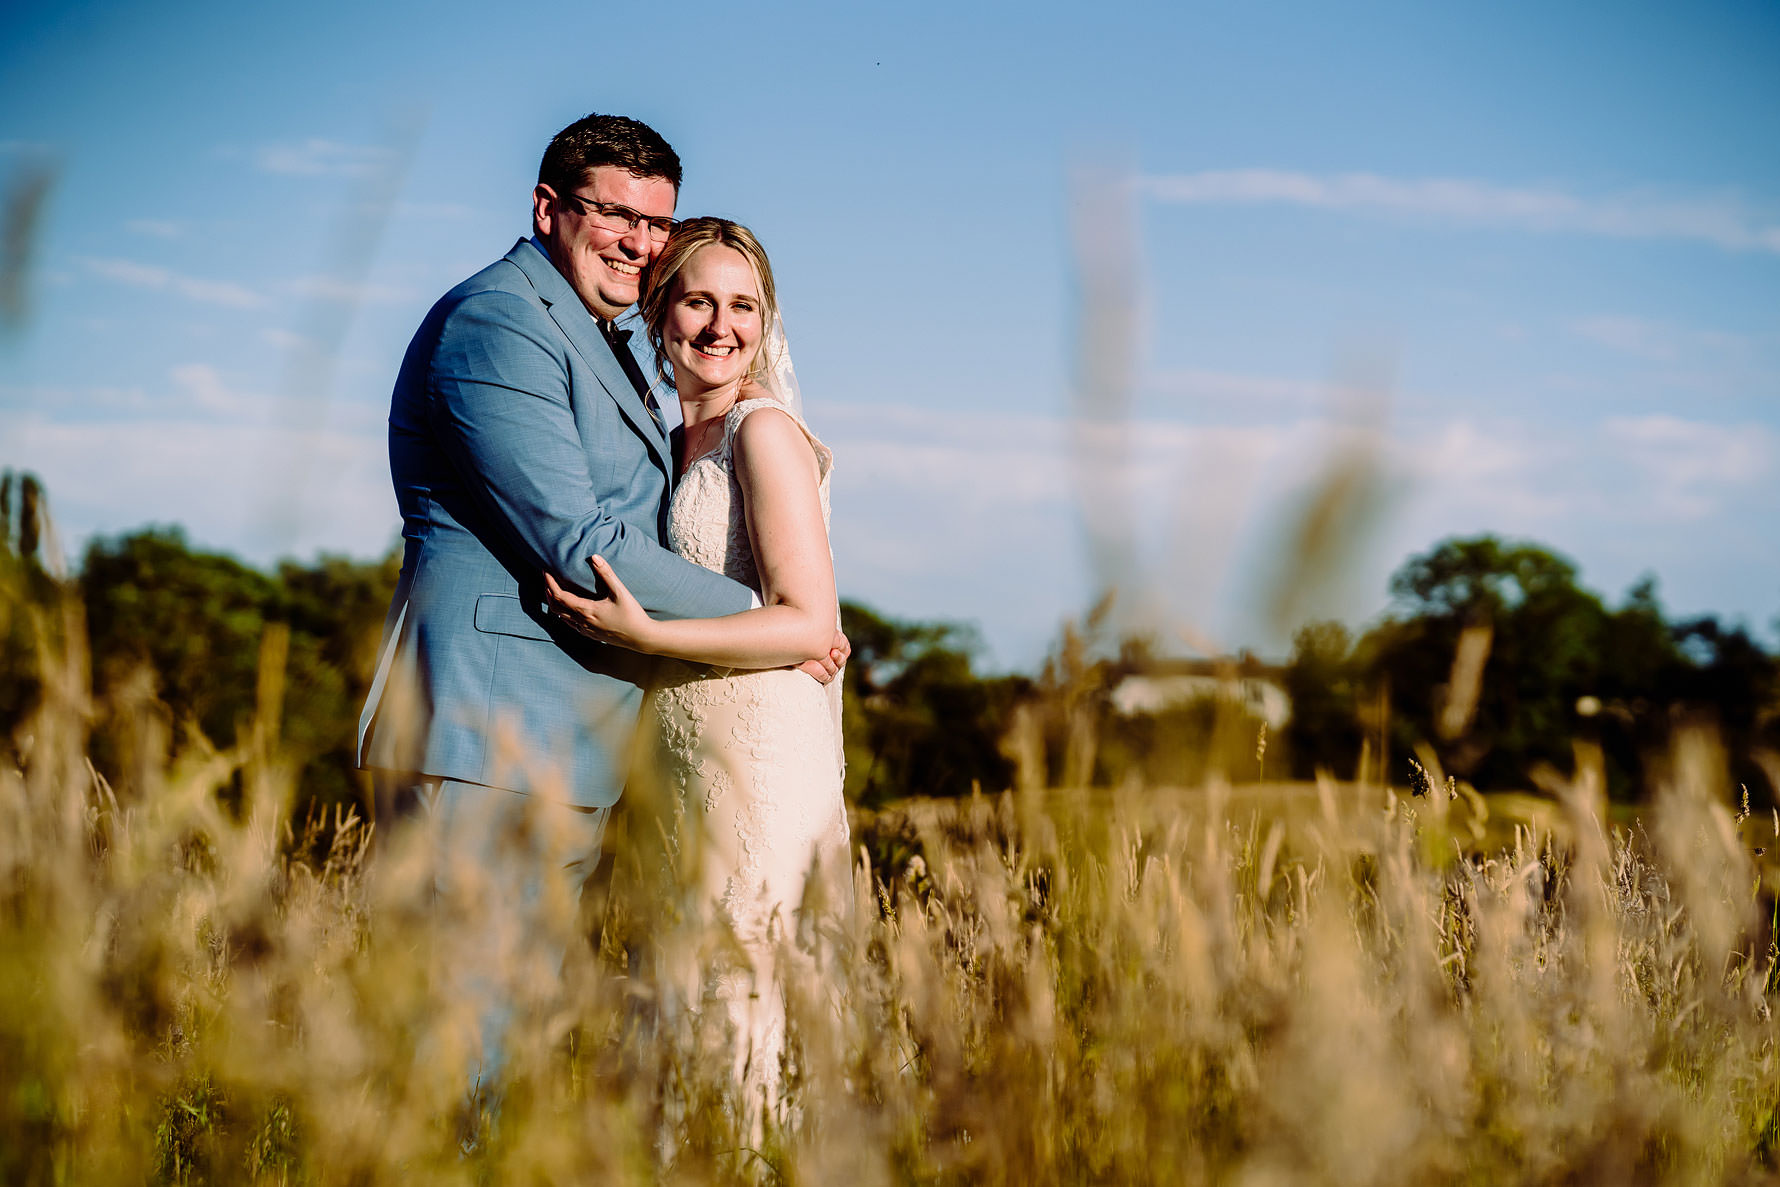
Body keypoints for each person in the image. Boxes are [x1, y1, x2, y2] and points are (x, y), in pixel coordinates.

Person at [354, 115, 844, 1076]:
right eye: (613, 214)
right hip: (489, 730)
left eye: (655, 223)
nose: (637, 241)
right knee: (459, 1045)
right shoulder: (500, 322)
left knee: (509, 1040)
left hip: (579, 744)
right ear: (548, 208)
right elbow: (581, 543)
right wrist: (773, 622)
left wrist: (787, 619)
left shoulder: (603, 340)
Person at [541, 218, 849, 1120]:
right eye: (700, 301)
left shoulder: (762, 434)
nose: (722, 326)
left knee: (745, 998)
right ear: (660, 308)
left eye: (744, 306)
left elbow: (808, 620)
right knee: (678, 993)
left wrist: (648, 637)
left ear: (767, 322)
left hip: (757, 751)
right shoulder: (668, 439)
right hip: (681, 753)